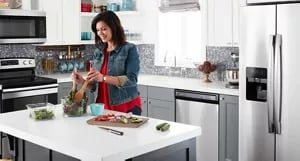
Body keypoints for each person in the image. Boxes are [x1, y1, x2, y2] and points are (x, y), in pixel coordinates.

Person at [72, 11, 141, 115]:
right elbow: (96, 85)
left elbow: (132, 80)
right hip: (102, 108)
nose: (100, 33)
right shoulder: (98, 52)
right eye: (98, 30)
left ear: (114, 27)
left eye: (104, 29)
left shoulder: (129, 49)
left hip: (126, 106)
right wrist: (82, 81)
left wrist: (103, 78)